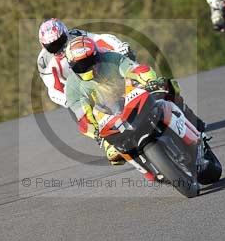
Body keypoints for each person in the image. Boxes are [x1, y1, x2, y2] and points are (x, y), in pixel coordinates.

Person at [63, 36, 204, 172]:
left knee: (167, 89)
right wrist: (97, 134)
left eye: (91, 61)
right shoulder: (71, 86)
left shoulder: (111, 58)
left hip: (131, 96)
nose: (89, 67)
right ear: (72, 67)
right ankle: (148, 167)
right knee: (113, 153)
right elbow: (81, 114)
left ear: (97, 56)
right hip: (108, 116)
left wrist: (150, 81)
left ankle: (194, 123)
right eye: (81, 65)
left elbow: (133, 69)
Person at [37, 18, 132, 107]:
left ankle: (138, 80)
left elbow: (100, 39)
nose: (59, 48)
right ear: (43, 46)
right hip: (80, 89)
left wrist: (119, 46)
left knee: (124, 56)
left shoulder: (76, 35)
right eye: (52, 46)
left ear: (66, 33)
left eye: (60, 41)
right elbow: (53, 91)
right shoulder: (44, 62)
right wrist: (72, 101)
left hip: (99, 71)